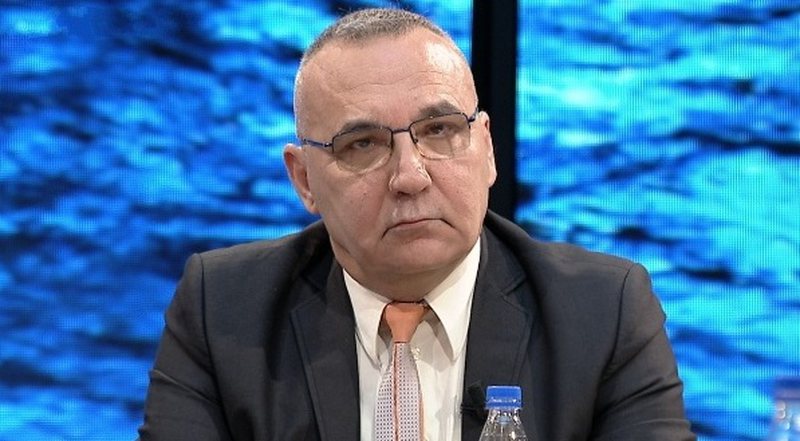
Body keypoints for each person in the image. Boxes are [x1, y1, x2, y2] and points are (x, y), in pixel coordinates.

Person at [137, 7, 695, 441]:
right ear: (304, 179)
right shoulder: (222, 310)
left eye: (439, 130)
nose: (410, 176)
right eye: (362, 144)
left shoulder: (603, 310)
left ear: (486, 147)